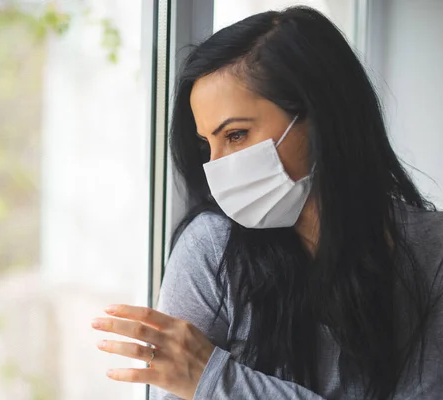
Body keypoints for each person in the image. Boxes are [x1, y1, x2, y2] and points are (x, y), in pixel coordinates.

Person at [91, 6, 443, 399]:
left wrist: (214, 381)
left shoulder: (432, 252)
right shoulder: (210, 250)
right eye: (207, 144)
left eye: (236, 135)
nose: (217, 167)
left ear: (319, 117)